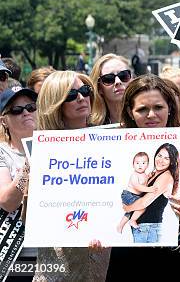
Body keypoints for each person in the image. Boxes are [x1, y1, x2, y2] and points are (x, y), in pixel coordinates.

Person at [106, 74, 180, 280]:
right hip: (124, 259)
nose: (151, 115)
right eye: (142, 109)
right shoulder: (112, 151)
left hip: (174, 264)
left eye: (158, 107)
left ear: (170, 107)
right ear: (131, 113)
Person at [34, 70, 108, 281]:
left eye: (85, 91)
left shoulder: (108, 140)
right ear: (55, 102)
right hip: (57, 265)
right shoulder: (42, 149)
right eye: (71, 95)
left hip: (98, 256)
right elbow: (31, 213)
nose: (82, 98)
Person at [0, 86, 37, 282]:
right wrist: (29, 163)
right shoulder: (2, 152)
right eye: (16, 109)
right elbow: (7, 201)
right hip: (15, 257)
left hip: (52, 254)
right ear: (3, 120)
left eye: (31, 107)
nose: (26, 112)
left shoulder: (58, 146)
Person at [122, 143, 179, 243]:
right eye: (159, 155)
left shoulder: (166, 176)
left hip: (149, 228)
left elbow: (145, 202)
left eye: (166, 158)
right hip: (143, 228)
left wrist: (128, 208)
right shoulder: (152, 174)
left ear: (171, 162)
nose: (161, 160)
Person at [116, 152, 158, 233]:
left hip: (135, 196)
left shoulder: (144, 174)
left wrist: (149, 176)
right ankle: (132, 220)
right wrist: (149, 189)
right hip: (128, 195)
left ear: (147, 165)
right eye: (137, 163)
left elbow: (145, 181)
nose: (140, 165)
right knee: (142, 207)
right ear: (133, 164)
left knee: (131, 211)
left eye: (143, 163)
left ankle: (120, 225)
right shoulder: (134, 175)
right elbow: (137, 186)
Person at [90, 54, 133, 125]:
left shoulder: (146, 120)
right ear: (99, 88)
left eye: (123, 75)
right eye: (109, 79)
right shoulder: (91, 127)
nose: (118, 82)